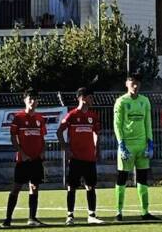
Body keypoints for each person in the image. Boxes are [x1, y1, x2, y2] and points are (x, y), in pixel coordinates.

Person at [113, 74, 158, 221]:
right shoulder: (121, 101)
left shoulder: (145, 101)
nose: (135, 85)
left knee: (143, 179)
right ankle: (119, 213)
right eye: (132, 83)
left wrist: (150, 143)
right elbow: (117, 125)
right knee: (122, 179)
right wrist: (121, 144)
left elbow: (148, 123)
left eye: (137, 83)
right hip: (127, 146)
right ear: (127, 84)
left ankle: (145, 212)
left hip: (142, 146)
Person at [57, 87, 104, 225]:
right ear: (82, 98)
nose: (92, 100)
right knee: (72, 187)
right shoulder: (72, 115)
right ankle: (70, 216)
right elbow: (60, 131)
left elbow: (96, 133)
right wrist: (65, 147)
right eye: (90, 97)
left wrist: (97, 149)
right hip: (76, 158)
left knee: (91, 186)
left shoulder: (93, 116)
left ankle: (92, 215)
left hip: (89, 158)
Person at [2, 89, 47, 227]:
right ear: (25, 100)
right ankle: (8, 219)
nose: (33, 102)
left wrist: (42, 152)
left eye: (35, 99)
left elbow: (42, 138)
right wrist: (21, 153)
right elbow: (13, 137)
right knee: (16, 187)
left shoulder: (40, 119)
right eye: (30, 99)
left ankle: (32, 218)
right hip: (23, 160)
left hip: (36, 159)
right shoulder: (18, 118)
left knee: (34, 187)